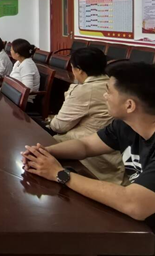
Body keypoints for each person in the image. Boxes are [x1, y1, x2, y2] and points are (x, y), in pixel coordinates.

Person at [22, 62, 155, 256]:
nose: (105, 96)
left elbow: (135, 203)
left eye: (109, 91)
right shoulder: (128, 123)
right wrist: (44, 152)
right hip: (144, 223)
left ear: (129, 105)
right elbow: (85, 146)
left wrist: (60, 174)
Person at [47, 47, 124, 184]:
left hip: (91, 156)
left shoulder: (85, 90)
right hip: (111, 154)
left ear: (79, 70)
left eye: (72, 68)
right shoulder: (112, 85)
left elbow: (59, 126)